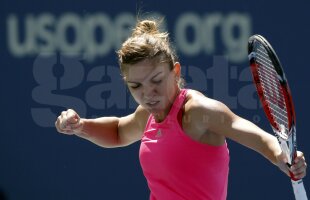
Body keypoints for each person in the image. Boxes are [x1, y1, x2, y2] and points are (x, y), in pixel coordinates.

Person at [55, 19, 307, 200]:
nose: (148, 94)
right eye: (136, 86)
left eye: (156, 81)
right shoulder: (148, 115)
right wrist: (82, 127)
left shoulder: (198, 112)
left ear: (175, 72)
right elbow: (120, 132)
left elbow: (258, 138)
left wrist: (282, 157)